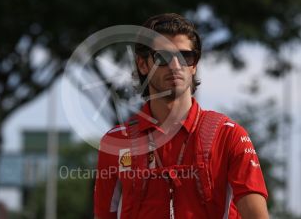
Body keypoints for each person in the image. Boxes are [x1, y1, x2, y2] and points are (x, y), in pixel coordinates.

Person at [94, 13, 269, 219]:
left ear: (194, 65)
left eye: (185, 57)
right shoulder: (116, 141)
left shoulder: (228, 135)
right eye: (163, 57)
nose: (176, 66)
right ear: (142, 65)